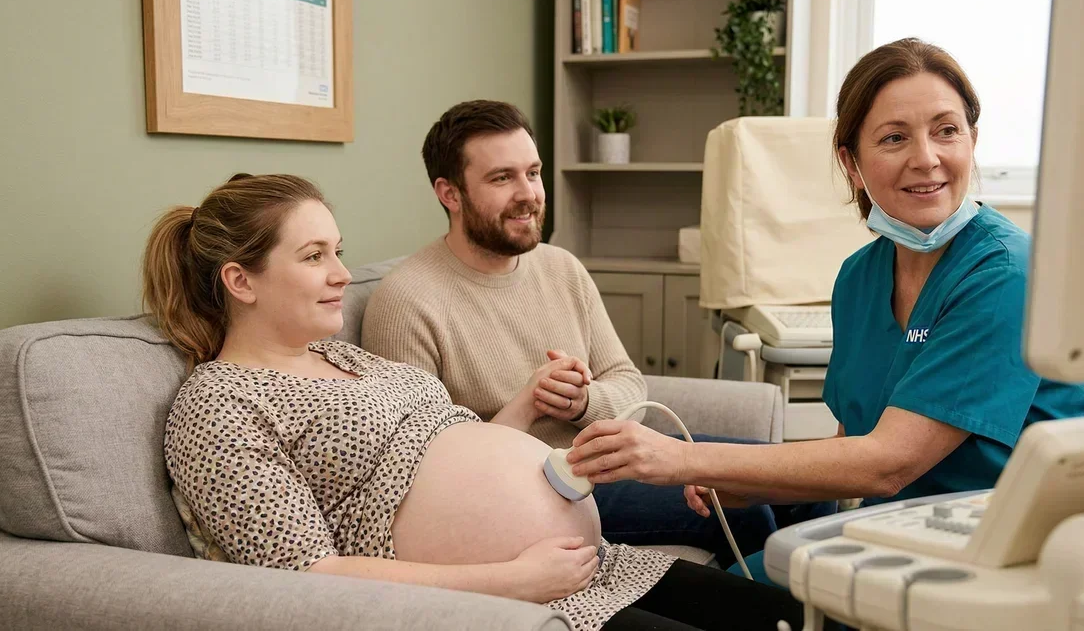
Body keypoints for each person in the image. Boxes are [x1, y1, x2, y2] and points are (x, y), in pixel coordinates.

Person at [144, 172, 805, 631]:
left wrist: (523, 413)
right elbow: (305, 573)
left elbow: (445, 441)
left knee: (786, 618)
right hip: (503, 604)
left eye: (338, 252)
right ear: (240, 280)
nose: (343, 274)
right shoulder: (219, 405)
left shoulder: (340, 355)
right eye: (315, 256)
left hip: (592, 566)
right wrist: (515, 580)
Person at [562, 38, 1084, 583]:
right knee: (667, 591)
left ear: (972, 142)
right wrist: (749, 484)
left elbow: (889, 464)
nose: (926, 157)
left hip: (992, 559)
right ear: (852, 163)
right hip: (892, 540)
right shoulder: (859, 277)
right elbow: (851, 447)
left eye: (946, 130)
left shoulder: (1006, 274)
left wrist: (682, 459)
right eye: (893, 138)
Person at [359, 99, 782, 568]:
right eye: (502, 178)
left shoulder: (562, 268)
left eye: (533, 173)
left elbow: (627, 381)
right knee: (746, 509)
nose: (529, 194)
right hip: (542, 492)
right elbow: (431, 476)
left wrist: (582, 403)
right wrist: (530, 400)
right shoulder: (406, 301)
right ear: (449, 193)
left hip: (612, 457)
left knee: (791, 481)